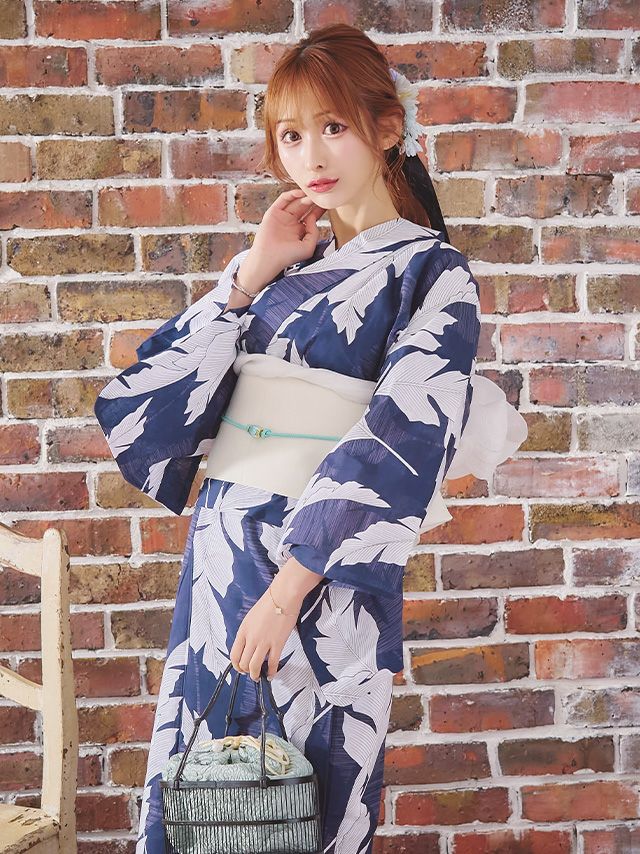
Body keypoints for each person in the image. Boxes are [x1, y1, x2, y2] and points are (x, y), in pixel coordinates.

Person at [93, 23, 527, 854]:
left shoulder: (433, 274)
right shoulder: (284, 269)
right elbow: (153, 398)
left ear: (387, 128)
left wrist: (286, 593)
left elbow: (398, 441)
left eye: (333, 127)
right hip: (222, 560)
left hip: (318, 573)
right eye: (291, 136)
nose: (311, 155)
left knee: (302, 803)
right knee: (205, 806)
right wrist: (251, 274)